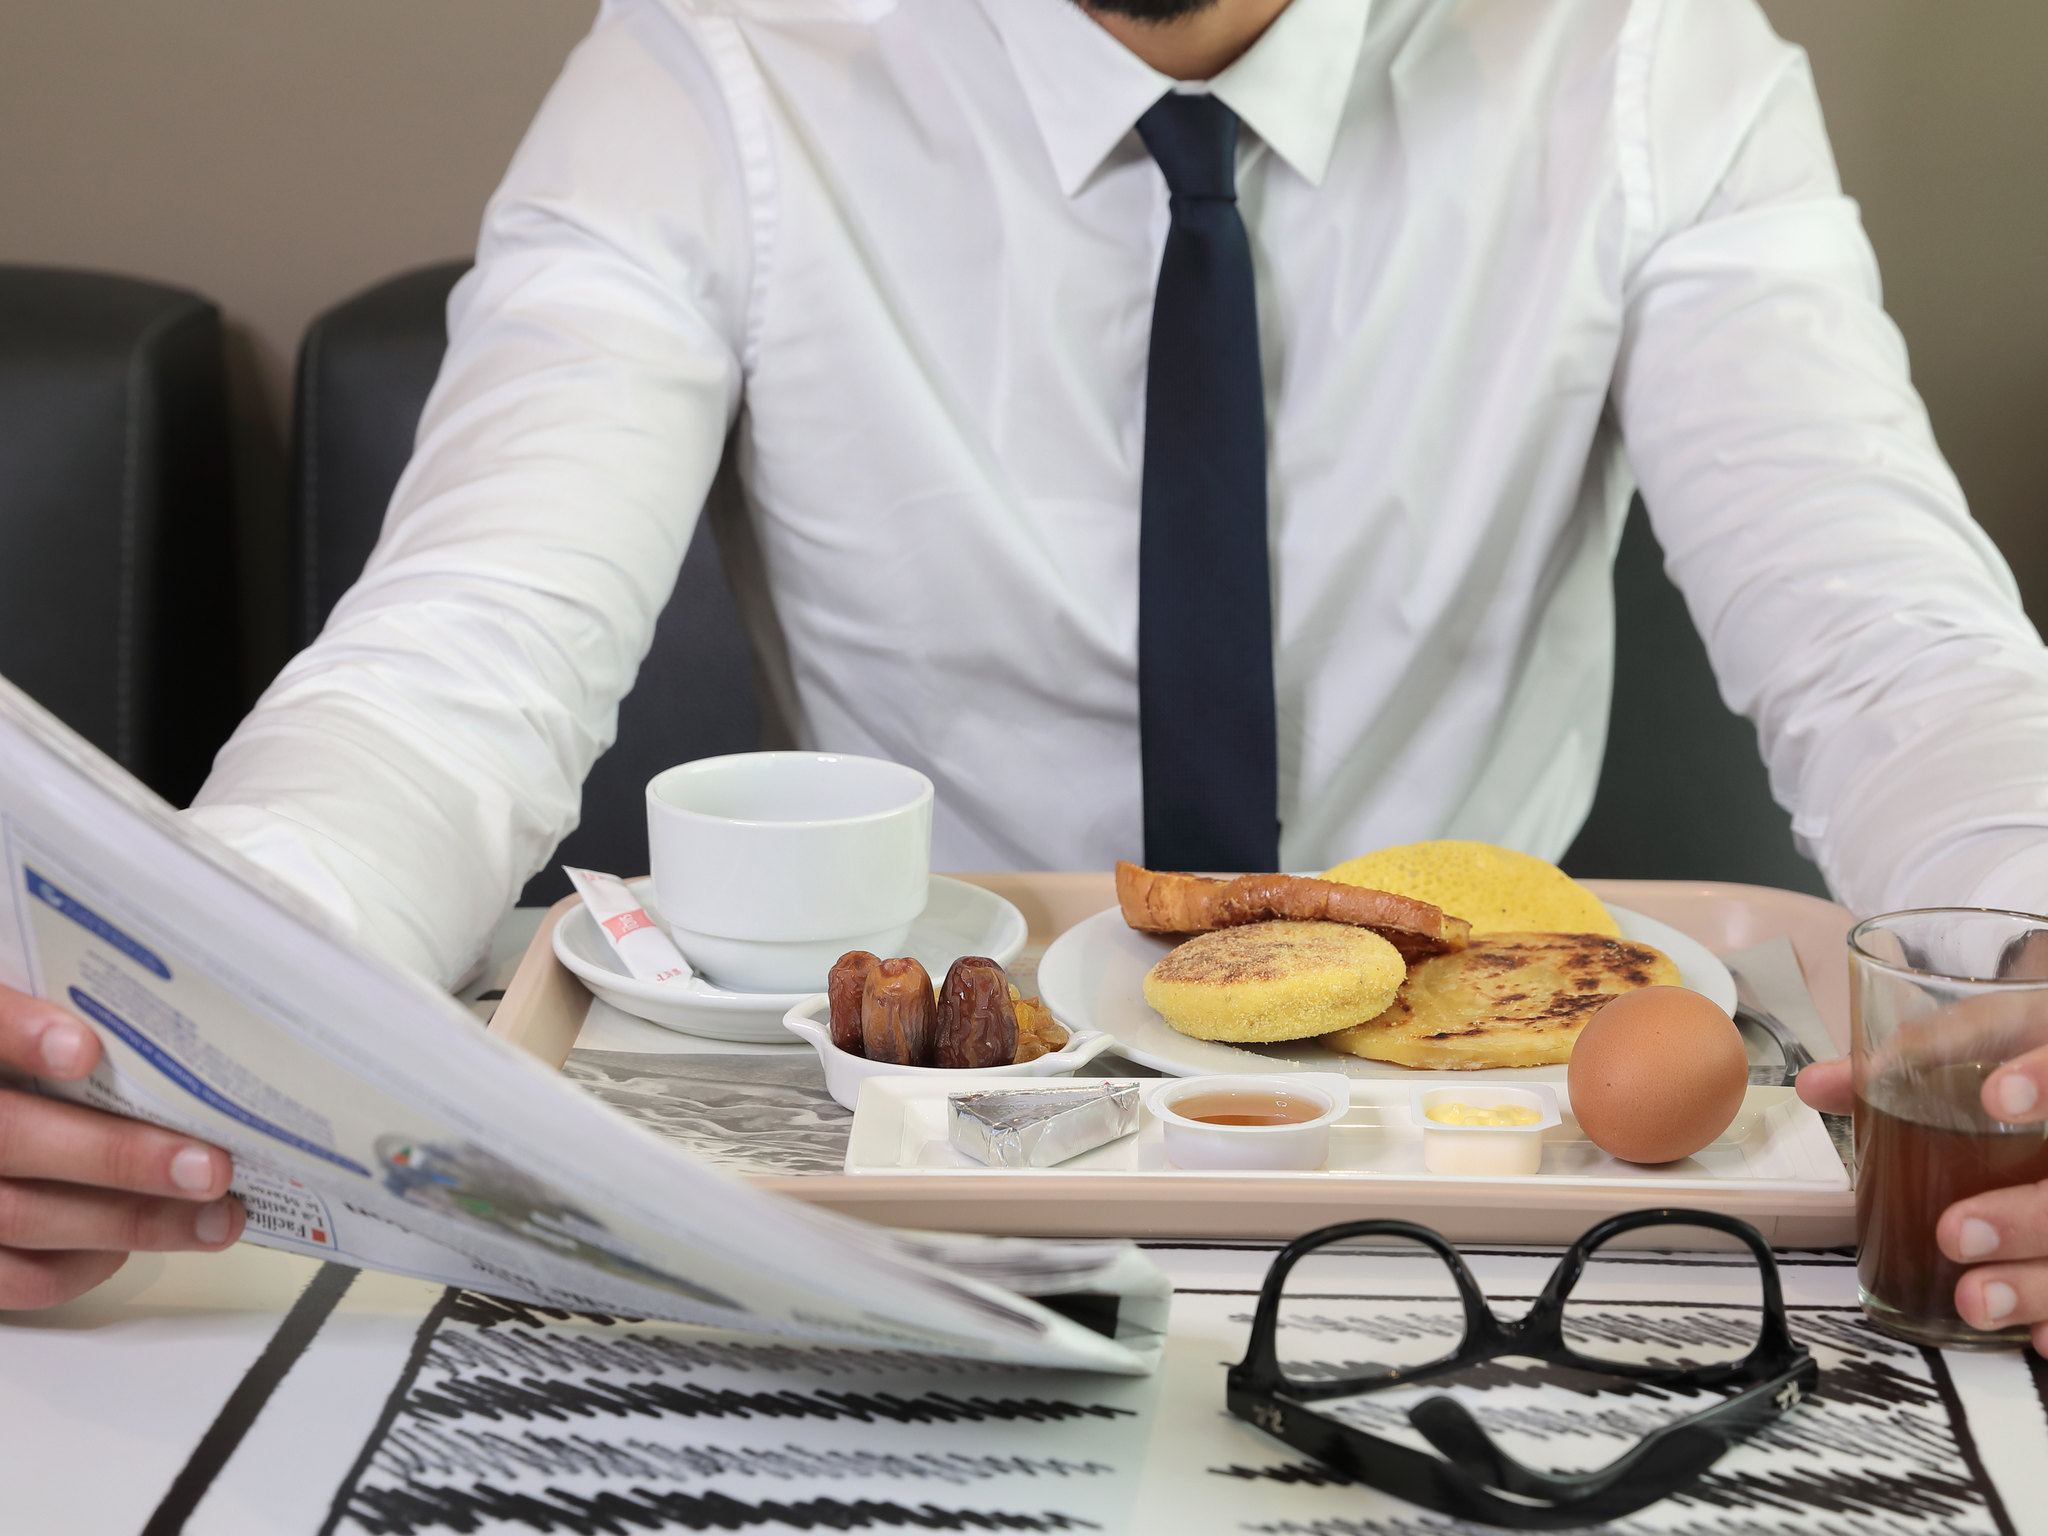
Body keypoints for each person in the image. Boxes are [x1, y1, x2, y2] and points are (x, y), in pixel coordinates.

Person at [3, 0, 2045, 1329]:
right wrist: (146, 1021)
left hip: (1480, 1178)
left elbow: (1882, 634)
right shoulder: (711, 65)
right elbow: (466, 650)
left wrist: (2035, 970)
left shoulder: (1649, 62)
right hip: (904, 1188)